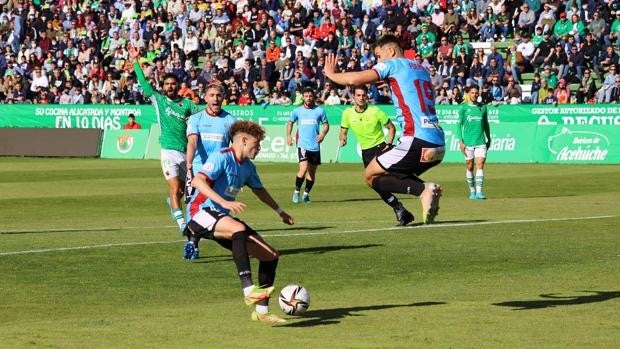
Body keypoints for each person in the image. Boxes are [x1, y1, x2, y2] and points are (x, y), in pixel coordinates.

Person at [324, 34, 445, 224]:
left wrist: (331, 74)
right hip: (438, 144)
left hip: (416, 139)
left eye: (379, 56)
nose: (377, 61)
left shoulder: (394, 64)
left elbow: (355, 79)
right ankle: (425, 191)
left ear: (391, 51)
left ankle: (424, 190)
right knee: (393, 175)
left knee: (370, 176)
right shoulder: (421, 68)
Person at [184, 120, 294, 323]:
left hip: (221, 217)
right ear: (243, 140)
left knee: (270, 256)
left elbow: (260, 191)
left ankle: (261, 312)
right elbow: (198, 181)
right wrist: (224, 201)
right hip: (199, 212)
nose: (259, 148)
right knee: (238, 228)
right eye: (256, 143)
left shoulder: (248, 167)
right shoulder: (221, 157)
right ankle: (248, 289)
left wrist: (280, 211)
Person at [128, 44, 199, 233]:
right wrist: (135, 60)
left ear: (178, 86)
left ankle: (172, 204)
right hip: (168, 150)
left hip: (187, 153)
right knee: (175, 188)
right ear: (163, 86)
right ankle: (182, 225)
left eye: (173, 84)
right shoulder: (158, 100)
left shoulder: (188, 105)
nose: (169, 86)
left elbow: (201, 120)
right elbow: (143, 82)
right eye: (167, 84)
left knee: (184, 192)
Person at [339, 85, 414, 225]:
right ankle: (399, 208)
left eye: (363, 95)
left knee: (382, 180)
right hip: (366, 153)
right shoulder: (347, 114)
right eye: (358, 95)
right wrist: (343, 138)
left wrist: (388, 145)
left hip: (379, 149)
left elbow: (391, 128)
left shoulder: (375, 111)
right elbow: (343, 131)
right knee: (375, 184)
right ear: (353, 97)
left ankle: (415, 191)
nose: (361, 98)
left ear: (367, 96)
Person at [183, 83, 237, 260]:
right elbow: (192, 142)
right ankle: (193, 244)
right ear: (205, 97)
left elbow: (236, 149)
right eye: (212, 95)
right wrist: (189, 164)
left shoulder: (230, 121)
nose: (215, 98)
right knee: (196, 208)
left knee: (222, 208)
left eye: (218, 95)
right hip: (200, 174)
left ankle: (229, 240)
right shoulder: (196, 119)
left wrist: (238, 175)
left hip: (223, 175)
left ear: (222, 98)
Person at [286, 87, 329, 204]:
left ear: (313, 97)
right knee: (303, 169)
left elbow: (326, 125)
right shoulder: (297, 111)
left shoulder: (320, 111)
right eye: (306, 96)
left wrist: (323, 134)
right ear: (303, 97)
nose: (308, 98)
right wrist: (289, 136)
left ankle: (306, 194)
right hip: (302, 145)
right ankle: (296, 192)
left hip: (315, 146)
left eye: (310, 96)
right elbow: (290, 123)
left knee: (312, 174)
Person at [456, 86, 491, 200]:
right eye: (472, 93)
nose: (474, 95)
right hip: (468, 142)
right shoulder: (463, 108)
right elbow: (458, 125)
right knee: (470, 166)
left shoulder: (483, 107)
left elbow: (486, 124)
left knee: (480, 165)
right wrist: (460, 141)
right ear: (468, 94)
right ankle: (472, 191)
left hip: (480, 141)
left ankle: (480, 192)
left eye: (476, 93)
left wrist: (489, 138)